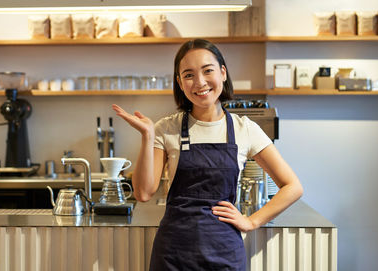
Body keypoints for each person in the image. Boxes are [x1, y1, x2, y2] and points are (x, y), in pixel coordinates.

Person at [112, 39, 303, 270]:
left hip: (225, 254)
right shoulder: (166, 128)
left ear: (223, 73)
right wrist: (147, 136)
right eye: (189, 75)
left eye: (207, 70)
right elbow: (143, 193)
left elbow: (292, 186)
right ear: (180, 83)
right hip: (173, 254)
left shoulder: (245, 129)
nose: (200, 82)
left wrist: (252, 221)